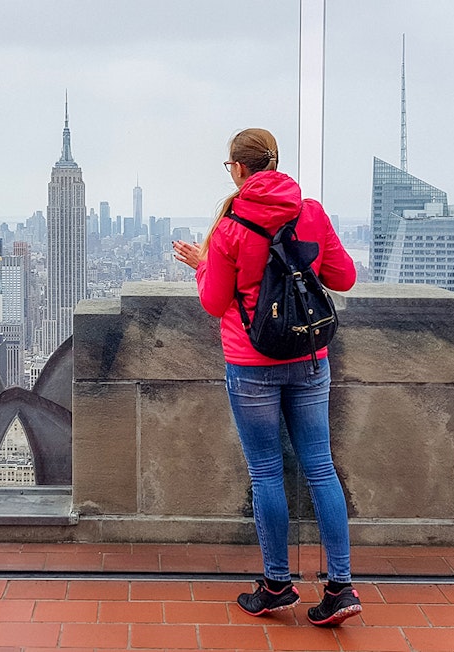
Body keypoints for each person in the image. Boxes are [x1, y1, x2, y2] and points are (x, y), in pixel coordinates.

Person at [173, 128, 361, 627]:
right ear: (274, 164)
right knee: (319, 467)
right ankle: (340, 588)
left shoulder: (233, 223)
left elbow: (215, 302)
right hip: (308, 355)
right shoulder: (311, 212)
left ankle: (278, 585)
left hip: (252, 363)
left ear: (238, 168)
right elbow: (343, 278)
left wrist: (203, 264)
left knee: (266, 472)